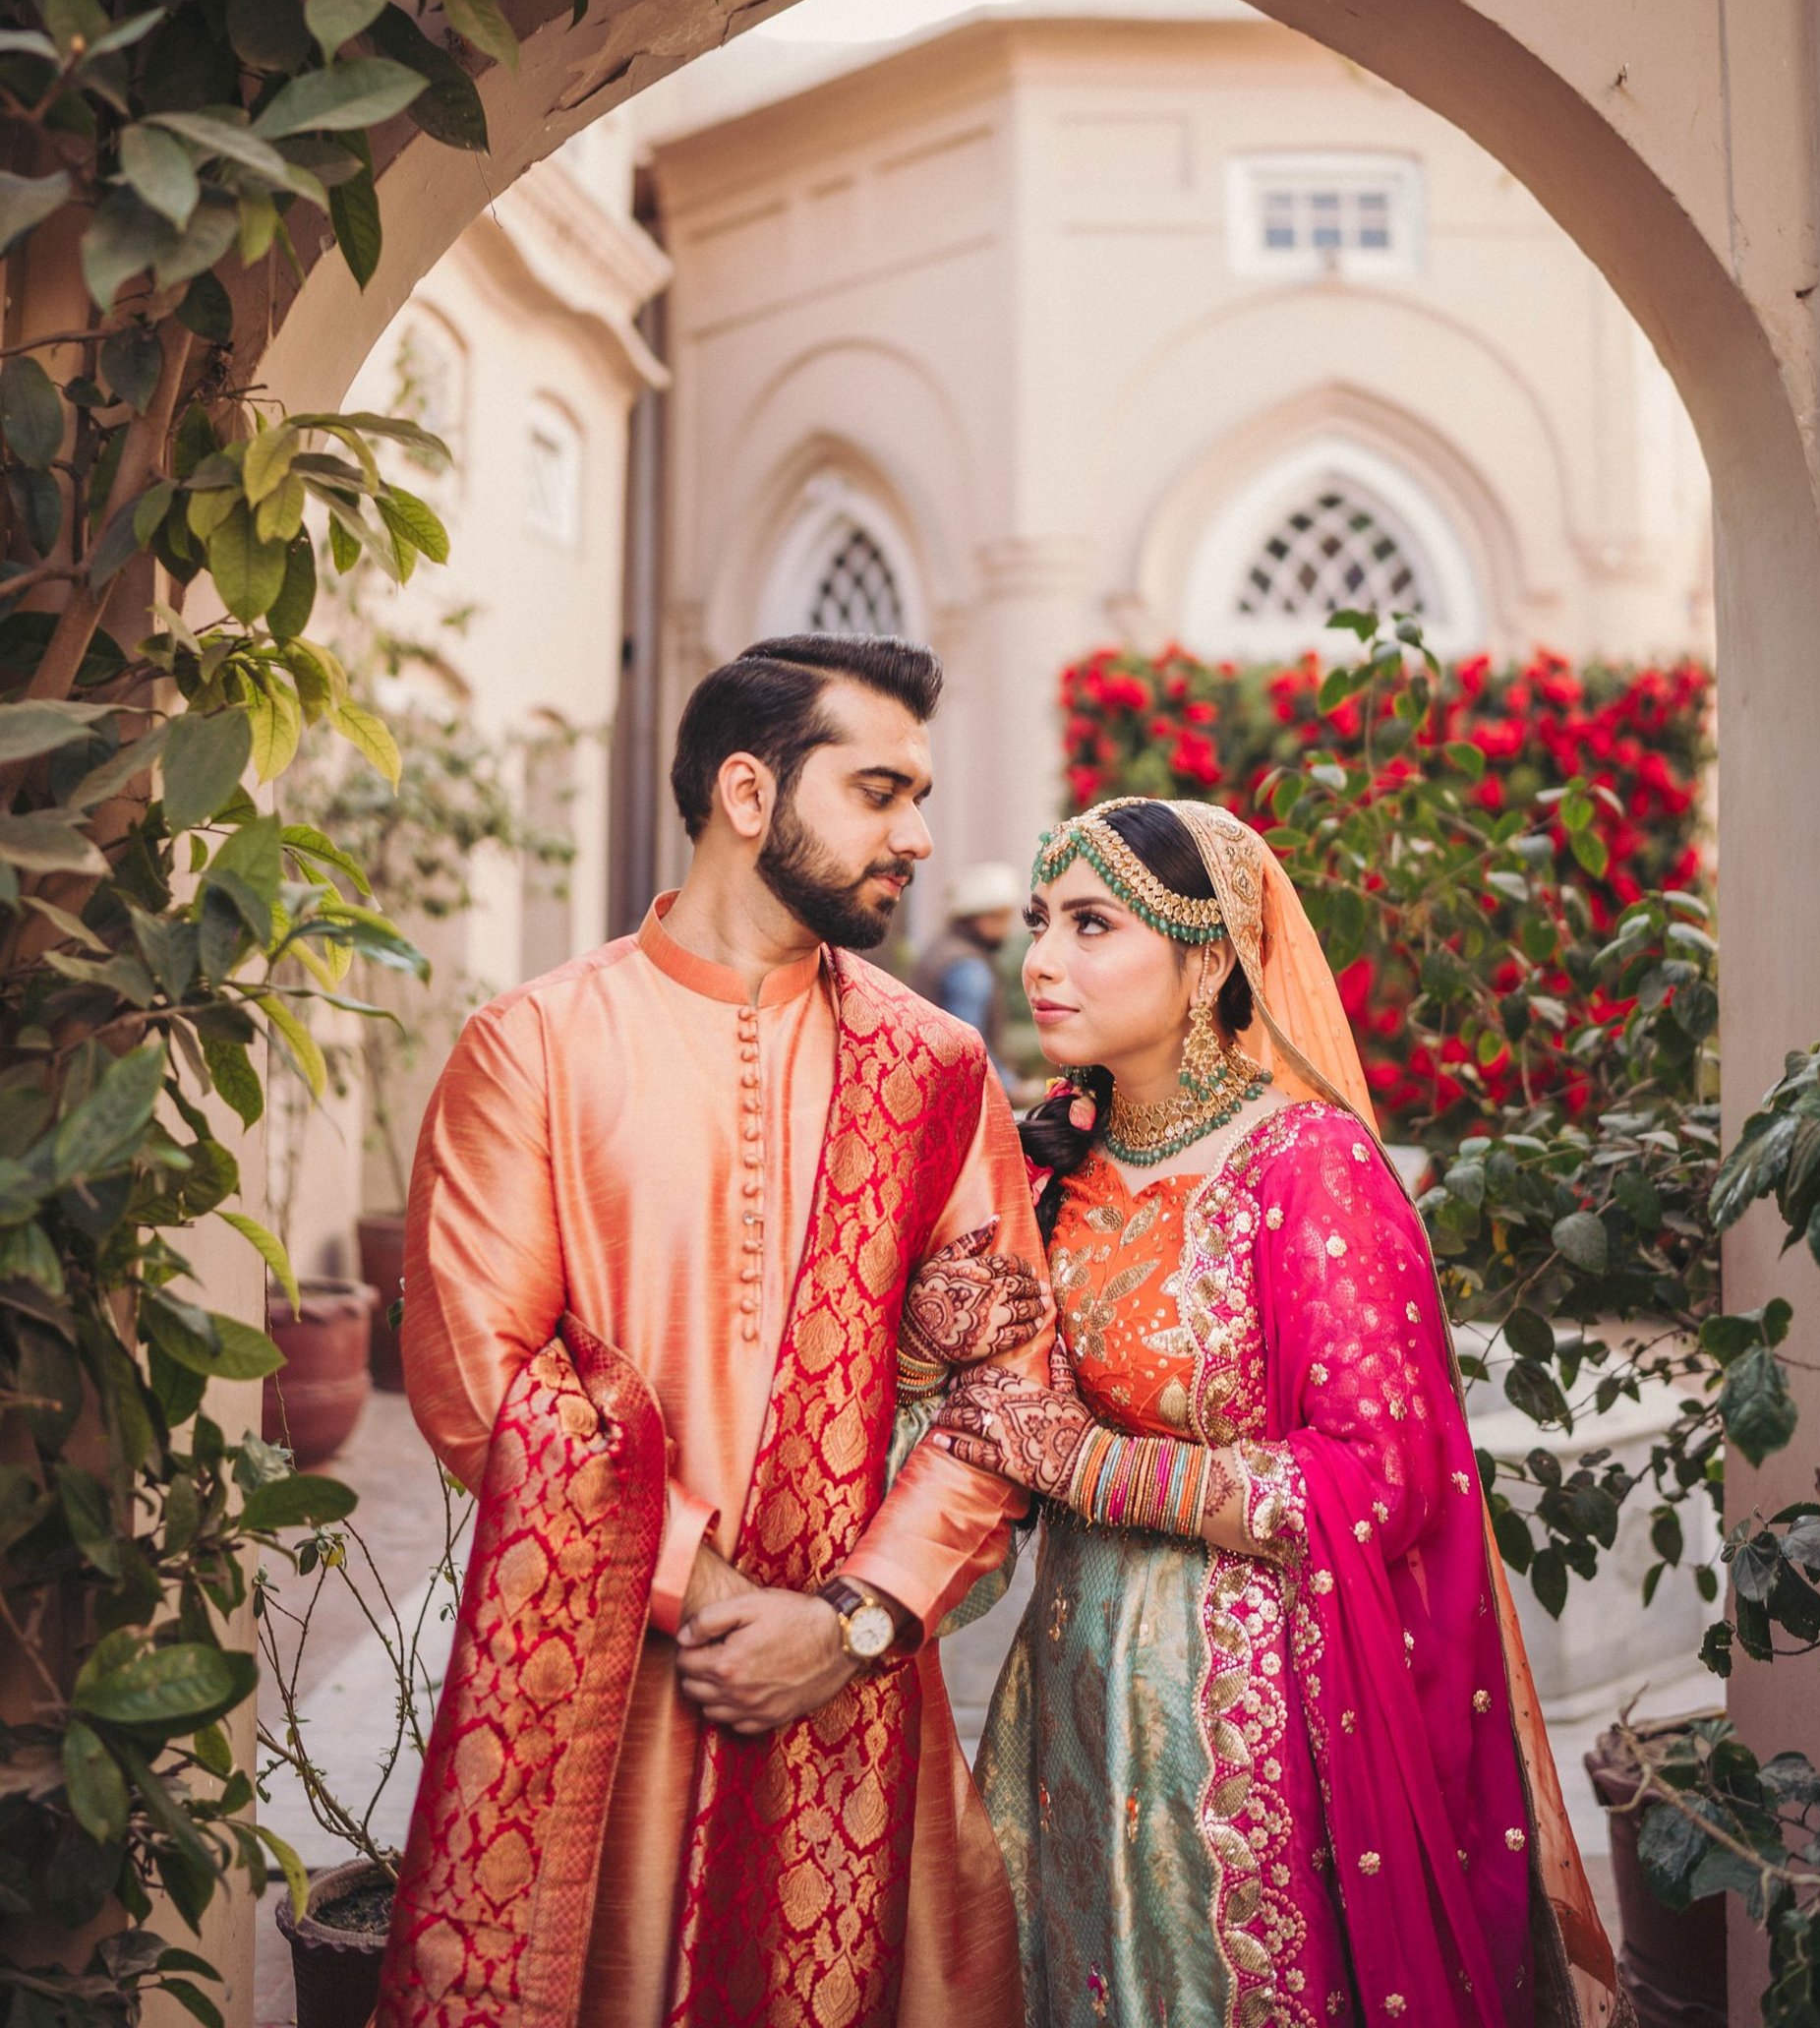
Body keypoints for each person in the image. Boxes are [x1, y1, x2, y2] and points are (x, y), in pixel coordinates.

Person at [378, 635, 1054, 2028]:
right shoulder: (537, 1048)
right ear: (750, 794)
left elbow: (1012, 1381)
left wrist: (853, 1620)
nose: (918, 836)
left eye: (918, 797)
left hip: (860, 1699)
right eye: (879, 792)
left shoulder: (933, 1071)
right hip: (608, 1697)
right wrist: (739, 1609)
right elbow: (482, 1383)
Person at [931, 797, 1627, 2028]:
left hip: (1265, 1725)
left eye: (1093, 924)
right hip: (1072, 1706)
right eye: (1041, 922)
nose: (1041, 960)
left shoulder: (1308, 1165)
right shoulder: (1053, 1168)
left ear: (1208, 959)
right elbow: (996, 1416)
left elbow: (1378, 1479)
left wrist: (1093, 1468)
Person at [910, 862, 1024, 1097]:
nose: (1007, 929)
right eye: (1003, 918)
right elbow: (970, 1049)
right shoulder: (969, 969)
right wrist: (1009, 1085)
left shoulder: (939, 949)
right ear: (983, 918)